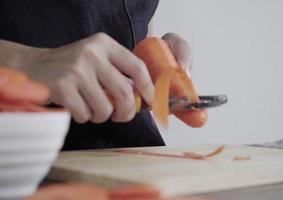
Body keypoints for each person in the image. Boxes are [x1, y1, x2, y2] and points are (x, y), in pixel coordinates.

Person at [0, 0, 193, 150]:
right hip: (20, 154)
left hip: (132, 156)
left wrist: (156, 59)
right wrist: (30, 62)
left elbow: (135, 24)